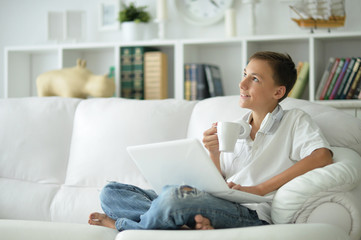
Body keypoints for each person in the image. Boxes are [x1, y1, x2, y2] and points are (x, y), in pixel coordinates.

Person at [88, 51, 333, 230]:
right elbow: (218, 184)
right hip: (215, 201)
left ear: (278, 92)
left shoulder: (294, 120)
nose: (242, 83)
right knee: (111, 192)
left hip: (250, 212)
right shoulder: (234, 127)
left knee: (174, 199)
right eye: (244, 75)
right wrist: (213, 154)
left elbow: (322, 155)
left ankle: (126, 226)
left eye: (254, 79)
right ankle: (181, 226)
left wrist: (259, 189)